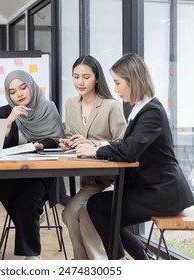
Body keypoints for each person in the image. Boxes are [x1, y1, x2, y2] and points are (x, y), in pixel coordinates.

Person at [75, 53, 194, 260]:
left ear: (133, 81)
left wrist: (96, 151)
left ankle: (127, 261)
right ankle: (141, 259)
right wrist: (98, 145)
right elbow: (127, 145)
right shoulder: (143, 109)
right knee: (103, 212)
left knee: (98, 207)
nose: (115, 89)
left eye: (118, 83)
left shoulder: (152, 112)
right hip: (155, 189)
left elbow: (129, 151)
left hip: (163, 193)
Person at [0, 70, 65, 260]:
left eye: (23, 88)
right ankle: (31, 219)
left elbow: (57, 140)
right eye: (13, 92)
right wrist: (9, 122)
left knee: (28, 201)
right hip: (11, 173)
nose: (19, 94)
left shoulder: (49, 108)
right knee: (0, 188)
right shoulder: (3, 112)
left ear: (31, 86)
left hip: (42, 173)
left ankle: (32, 257)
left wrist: (41, 145)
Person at [59, 55, 127, 260]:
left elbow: (123, 143)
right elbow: (72, 136)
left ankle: (98, 263)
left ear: (97, 78)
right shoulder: (71, 104)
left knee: (87, 213)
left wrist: (94, 145)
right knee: (69, 212)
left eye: (86, 77)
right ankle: (81, 262)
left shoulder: (111, 106)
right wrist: (68, 143)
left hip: (112, 181)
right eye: (75, 76)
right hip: (90, 181)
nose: (80, 82)